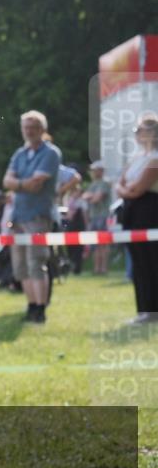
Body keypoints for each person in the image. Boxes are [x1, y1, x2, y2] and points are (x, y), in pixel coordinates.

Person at [3, 110, 61, 323]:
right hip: (17, 216)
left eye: (34, 127)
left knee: (36, 261)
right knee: (20, 265)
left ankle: (41, 309)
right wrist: (21, 184)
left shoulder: (51, 153)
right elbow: (7, 180)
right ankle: (31, 306)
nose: (29, 131)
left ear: (42, 130)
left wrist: (17, 184)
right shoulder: (19, 154)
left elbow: (36, 185)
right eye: (26, 127)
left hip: (38, 216)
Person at [115, 113, 158, 324]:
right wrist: (127, 190)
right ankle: (144, 310)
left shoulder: (155, 159)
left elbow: (138, 189)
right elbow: (121, 184)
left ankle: (153, 310)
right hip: (132, 213)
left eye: (139, 130)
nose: (137, 134)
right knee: (138, 262)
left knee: (151, 261)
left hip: (149, 213)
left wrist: (127, 189)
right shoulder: (138, 158)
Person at [85, 161, 113, 275]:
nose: (92, 172)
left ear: (100, 171)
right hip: (94, 216)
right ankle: (97, 269)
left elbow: (98, 198)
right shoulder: (93, 184)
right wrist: (92, 197)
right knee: (95, 244)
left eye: (94, 170)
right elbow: (85, 196)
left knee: (103, 244)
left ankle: (104, 268)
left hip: (103, 216)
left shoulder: (105, 183)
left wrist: (91, 197)